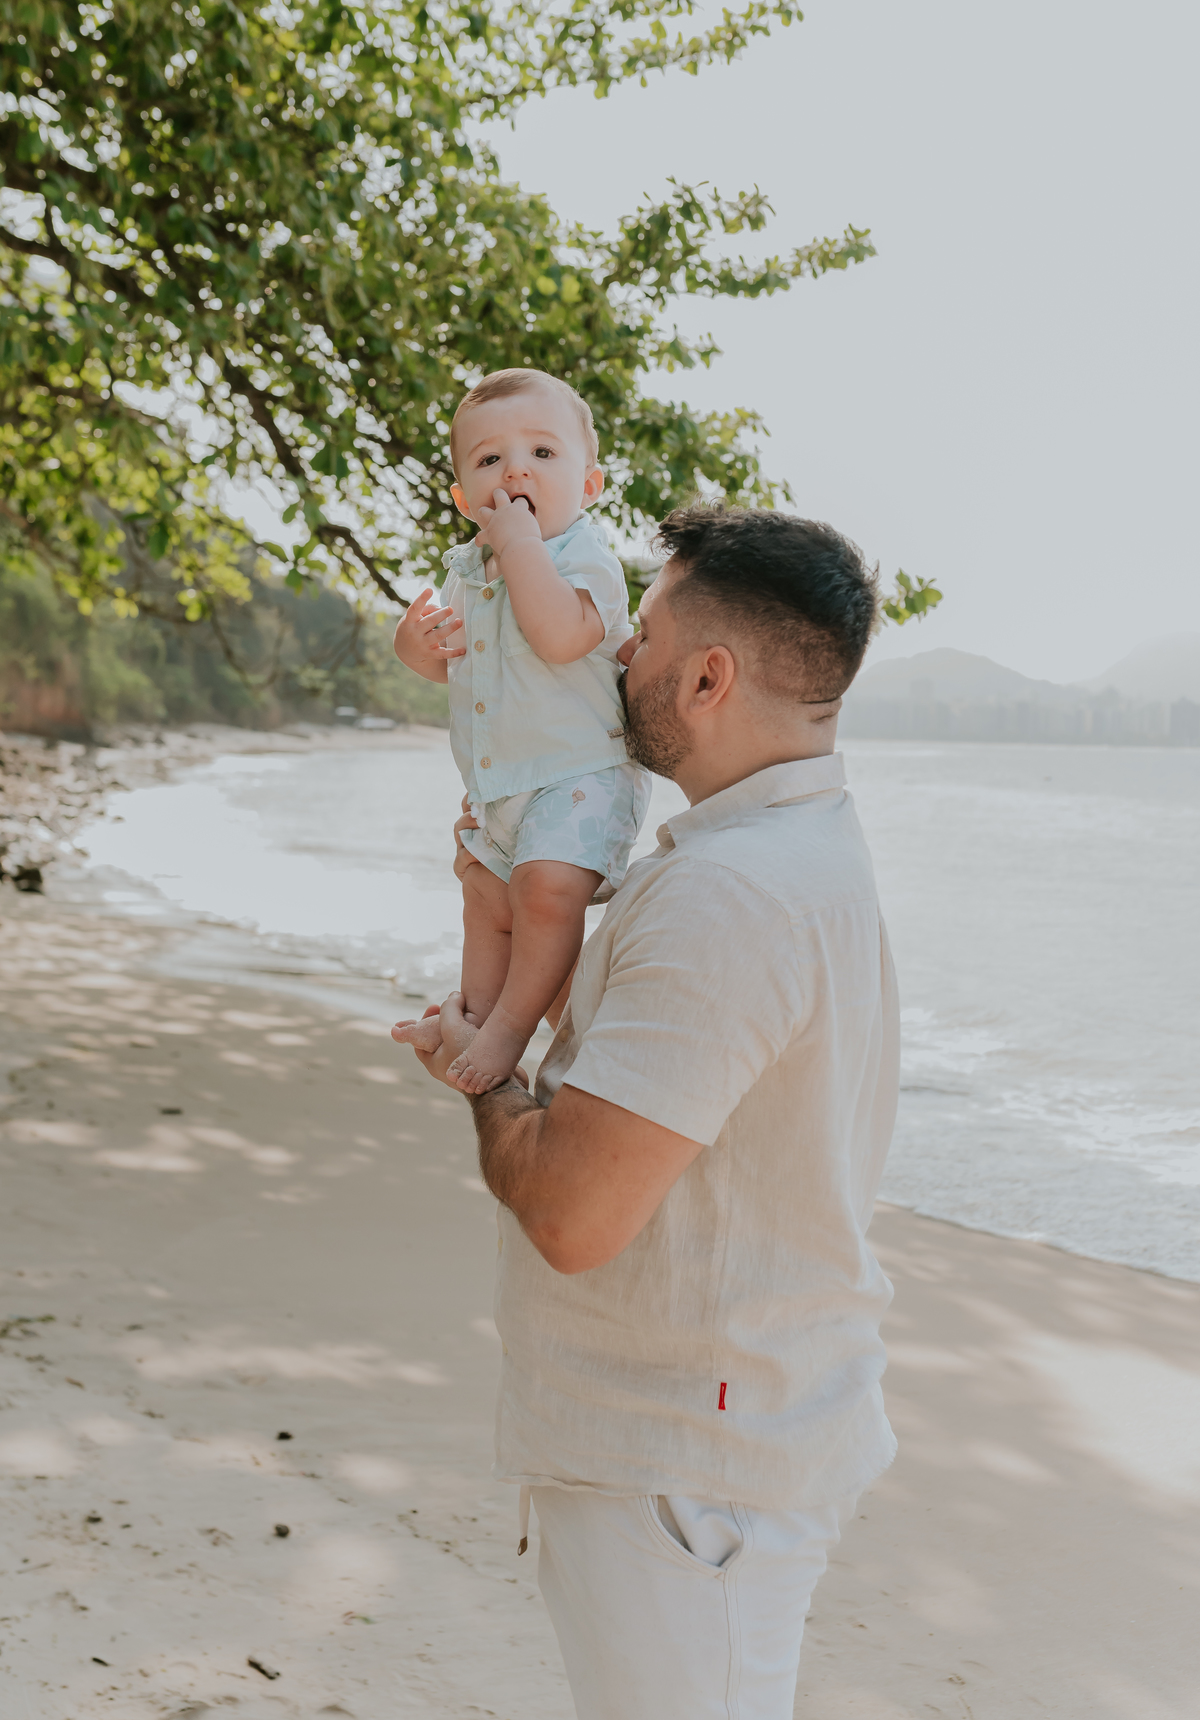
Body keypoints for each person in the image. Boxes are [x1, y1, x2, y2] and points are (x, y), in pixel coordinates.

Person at [396, 503, 900, 1720]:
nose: (618, 649)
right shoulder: (792, 851)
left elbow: (574, 1210)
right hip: (704, 1450)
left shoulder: (730, 897)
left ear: (710, 676)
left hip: (690, 1479)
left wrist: (487, 1073)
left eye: (646, 630)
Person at [391, 367, 651, 1094]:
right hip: (501, 787)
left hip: (581, 777)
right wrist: (415, 648)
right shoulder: (466, 572)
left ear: (589, 485)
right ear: (463, 498)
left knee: (543, 894)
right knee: (485, 900)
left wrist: (517, 547)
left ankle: (508, 1029)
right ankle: (467, 1018)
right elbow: (465, 669)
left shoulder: (586, 559)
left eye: (542, 454)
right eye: (489, 460)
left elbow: (559, 637)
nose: (515, 471)